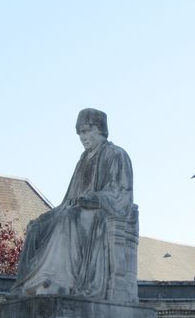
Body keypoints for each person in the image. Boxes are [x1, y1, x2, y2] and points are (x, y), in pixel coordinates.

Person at [9, 108, 135, 299]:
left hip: (99, 213)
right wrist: (47, 216)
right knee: (37, 227)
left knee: (68, 217)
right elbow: (68, 199)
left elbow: (121, 193)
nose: (83, 137)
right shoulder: (83, 160)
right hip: (77, 210)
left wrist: (94, 199)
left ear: (100, 130)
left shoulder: (117, 154)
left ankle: (57, 280)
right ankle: (30, 285)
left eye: (87, 131)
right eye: (80, 133)